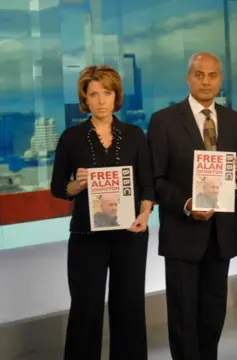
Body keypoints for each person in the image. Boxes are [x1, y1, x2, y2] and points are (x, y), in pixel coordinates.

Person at [146, 51, 237, 360]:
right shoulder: (163, 121)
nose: (206, 81)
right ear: (189, 78)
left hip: (221, 235)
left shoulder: (233, 121)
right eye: (199, 74)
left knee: (213, 313)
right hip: (182, 233)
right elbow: (156, 179)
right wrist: (188, 203)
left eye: (213, 75)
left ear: (220, 80)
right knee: (182, 316)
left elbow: (235, 177)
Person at [50, 65, 154, 360]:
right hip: (86, 236)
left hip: (130, 235)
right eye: (93, 94)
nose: (101, 100)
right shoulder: (71, 138)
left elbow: (147, 187)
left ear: (115, 95)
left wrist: (144, 215)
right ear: (85, 98)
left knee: (129, 309)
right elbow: (58, 188)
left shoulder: (135, 135)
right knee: (86, 309)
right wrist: (77, 184)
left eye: (106, 93)